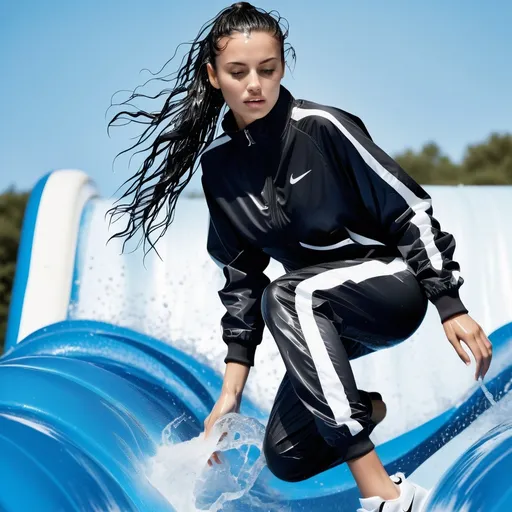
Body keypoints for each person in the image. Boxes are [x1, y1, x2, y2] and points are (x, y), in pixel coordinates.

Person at [107, 3, 493, 511]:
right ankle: (362, 410)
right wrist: (230, 395)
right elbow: (240, 281)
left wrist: (450, 302)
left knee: (288, 292)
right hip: (317, 311)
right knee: (288, 455)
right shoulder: (220, 169)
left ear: (282, 67)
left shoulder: (323, 127)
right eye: (237, 72)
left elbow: (408, 209)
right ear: (213, 75)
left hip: (389, 287)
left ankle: (388, 496)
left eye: (267, 70)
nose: (254, 85)